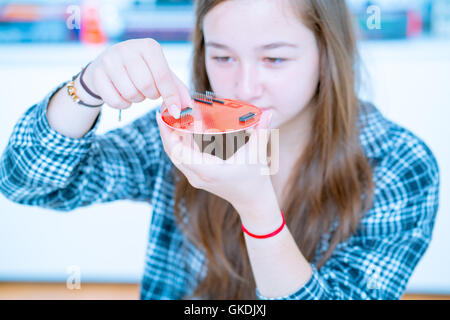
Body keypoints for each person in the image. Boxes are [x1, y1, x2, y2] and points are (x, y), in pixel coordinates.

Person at [0, 0, 440, 300]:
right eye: (223, 57)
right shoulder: (185, 131)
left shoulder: (399, 164)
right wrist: (88, 88)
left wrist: (259, 211)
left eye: (275, 59)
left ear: (327, 55)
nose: (244, 88)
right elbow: (26, 183)